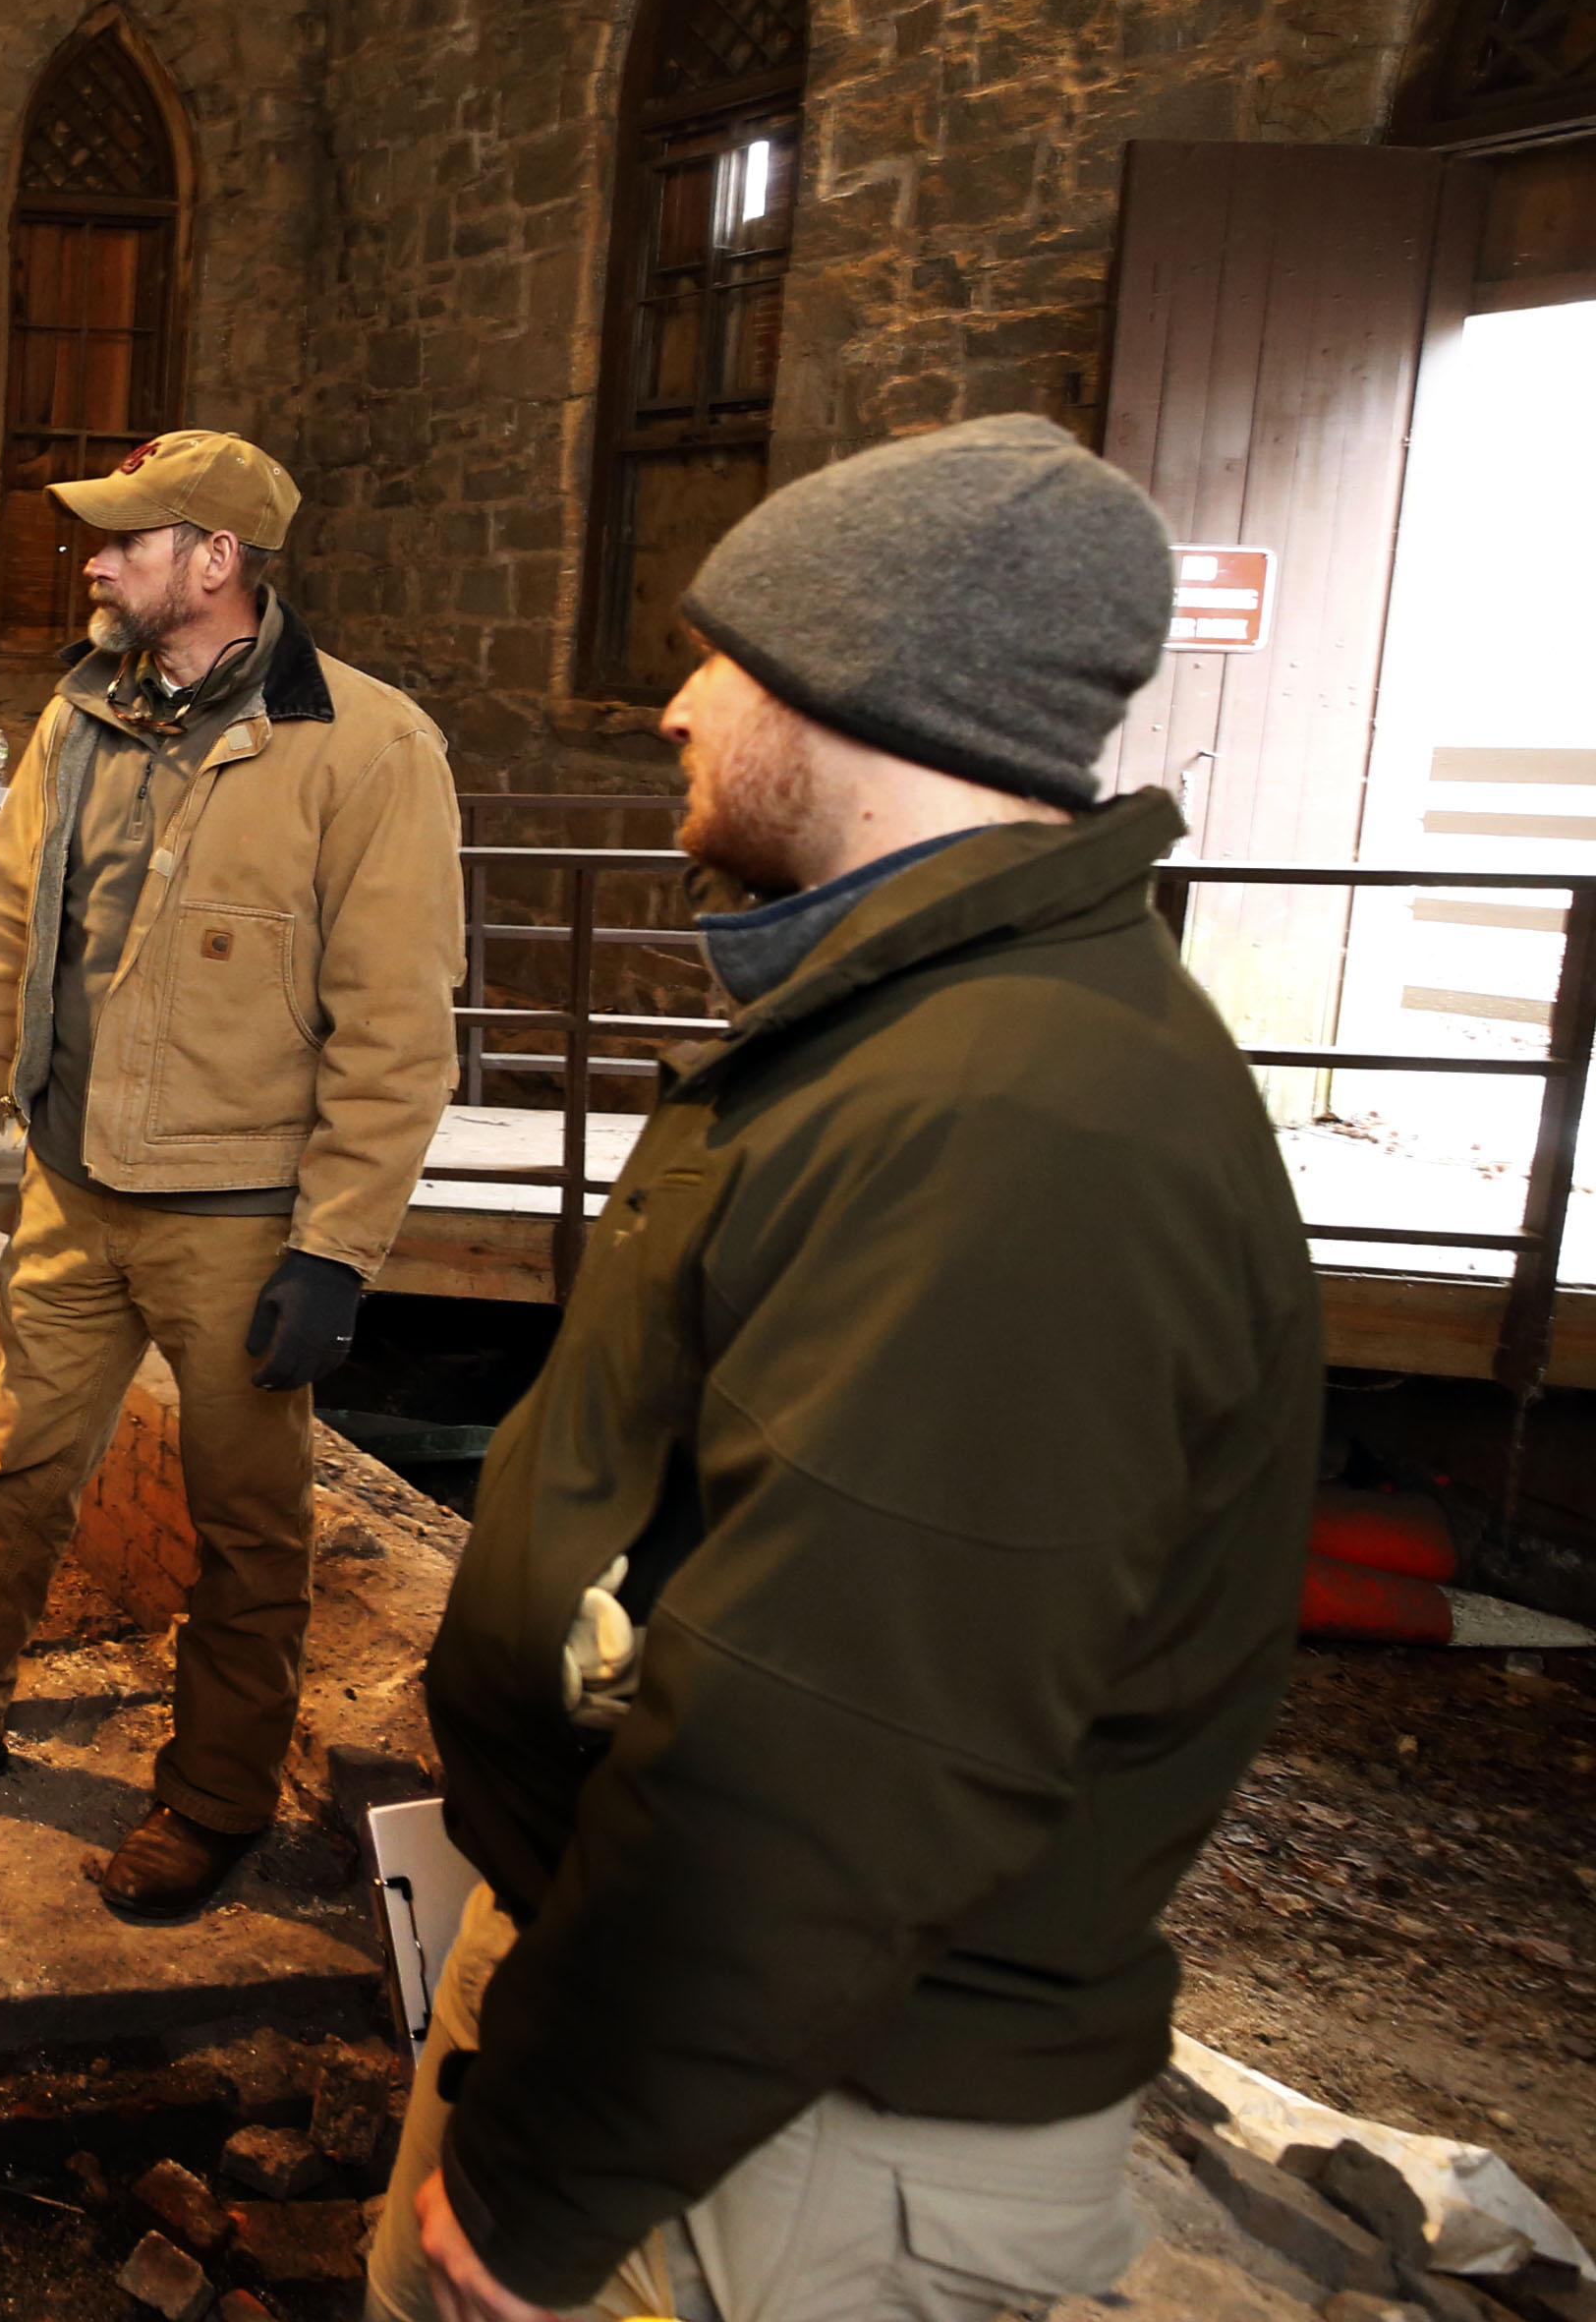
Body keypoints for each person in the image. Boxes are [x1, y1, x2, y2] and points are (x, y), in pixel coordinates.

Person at [383, 417, 1316, 2322]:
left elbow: (826, 1758)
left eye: (733, 660)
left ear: (876, 693)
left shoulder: (1025, 1122)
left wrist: (555, 2178)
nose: (679, 706)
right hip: (701, 2070)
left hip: (788, 2154)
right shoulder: (915, 1034)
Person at [0, 433, 462, 1929]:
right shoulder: (82, 719)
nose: (91, 563)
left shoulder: (366, 748)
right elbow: (8, 921)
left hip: (238, 1217)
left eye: (122, 541)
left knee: (248, 1525)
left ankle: (215, 1799)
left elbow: (397, 1026)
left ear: (216, 559)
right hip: (77, 1181)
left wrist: (341, 1247)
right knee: (13, 1464)